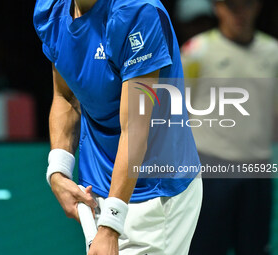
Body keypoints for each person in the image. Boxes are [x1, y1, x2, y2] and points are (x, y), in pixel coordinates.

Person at [34, 0, 202, 254]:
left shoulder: (137, 12)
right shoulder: (51, 9)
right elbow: (66, 97)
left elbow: (135, 128)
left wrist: (111, 224)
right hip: (97, 188)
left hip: (155, 196)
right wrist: (58, 171)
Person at [181, 0, 278, 254]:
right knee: (205, 248)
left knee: (255, 248)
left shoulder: (273, 53)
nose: (239, 13)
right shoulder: (197, 51)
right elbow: (174, 109)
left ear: (257, 6)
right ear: (217, 7)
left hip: (257, 172)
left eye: (246, 4)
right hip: (210, 174)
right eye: (230, 5)